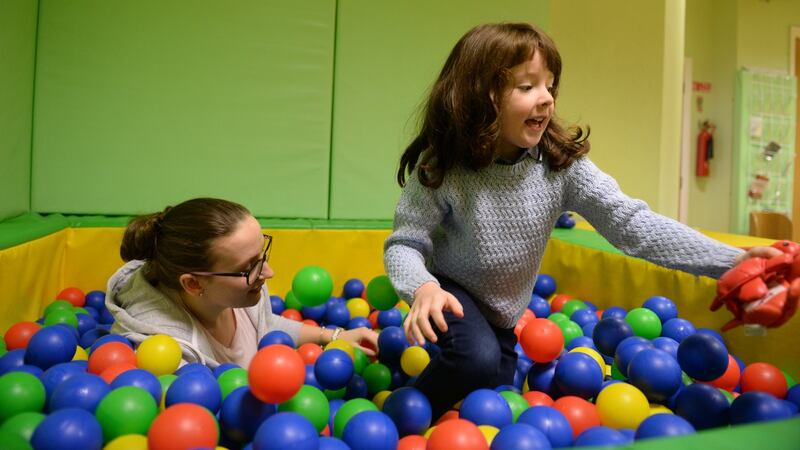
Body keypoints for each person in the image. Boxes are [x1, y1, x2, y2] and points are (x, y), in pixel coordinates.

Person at [383, 22, 781, 420]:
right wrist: (423, 289)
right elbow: (406, 243)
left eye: (550, 86)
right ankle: (402, 417)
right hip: (450, 292)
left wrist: (733, 261)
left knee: (495, 396)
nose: (546, 100)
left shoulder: (561, 165)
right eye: (527, 87)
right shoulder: (443, 165)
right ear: (480, 94)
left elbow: (633, 225)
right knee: (475, 359)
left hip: (502, 314)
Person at [107, 197, 378, 368]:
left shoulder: (240, 291)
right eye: (248, 267)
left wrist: (332, 336)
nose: (268, 272)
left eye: (261, 255)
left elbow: (264, 326)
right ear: (193, 284)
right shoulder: (165, 351)